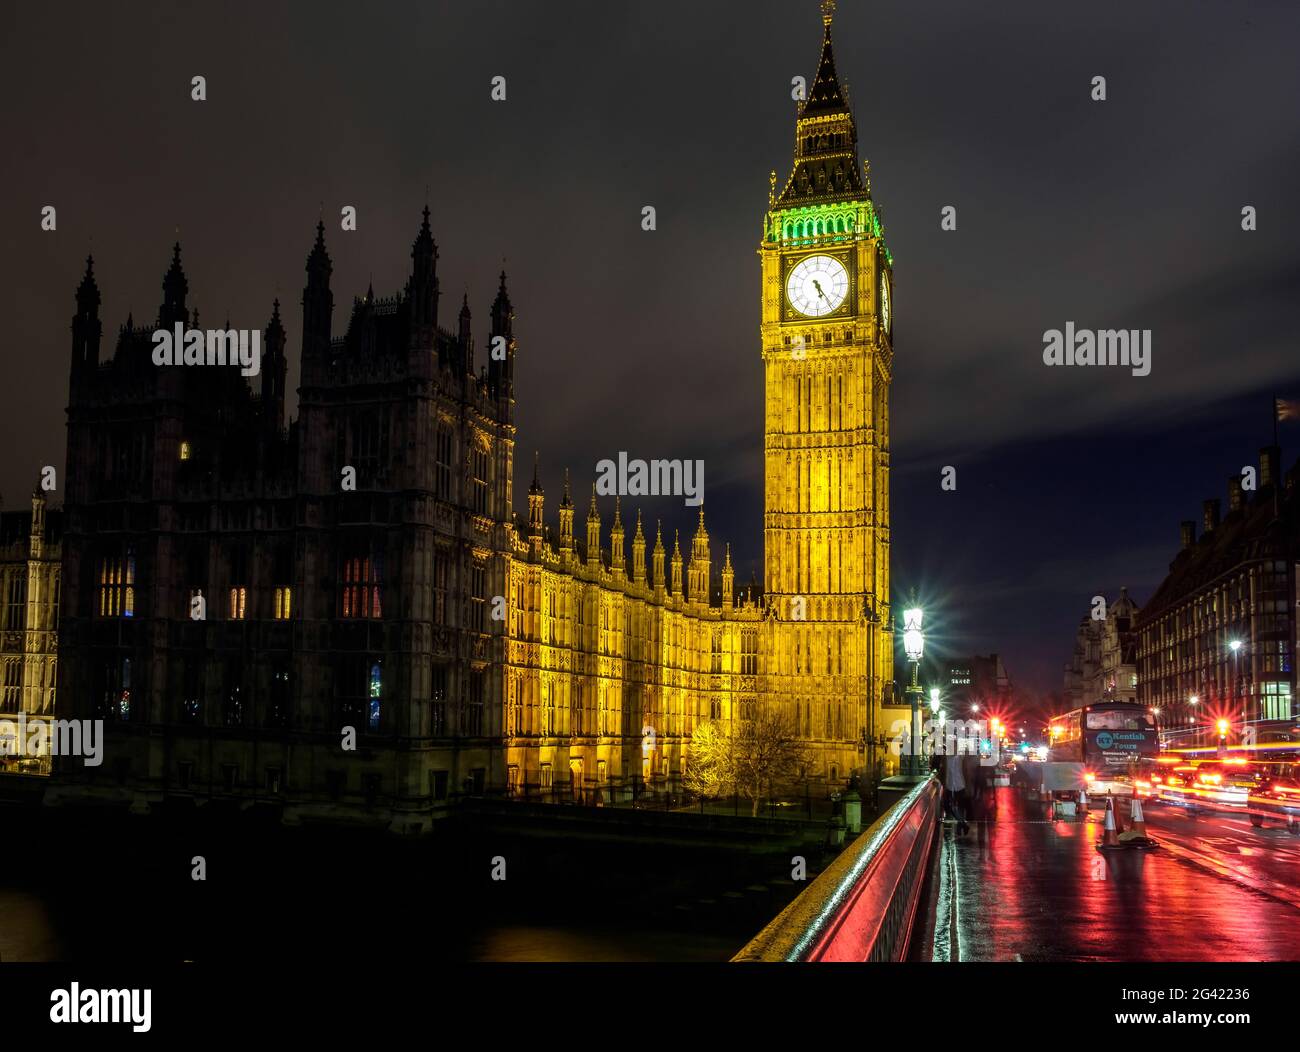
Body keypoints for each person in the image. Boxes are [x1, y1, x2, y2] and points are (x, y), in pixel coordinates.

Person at [940, 751, 969, 835]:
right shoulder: (945, 757)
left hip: (960, 784)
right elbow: (943, 770)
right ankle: (963, 824)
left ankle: (960, 828)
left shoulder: (961, 757)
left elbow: (965, 770)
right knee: (948, 806)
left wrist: (967, 785)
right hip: (949, 785)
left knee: (960, 807)